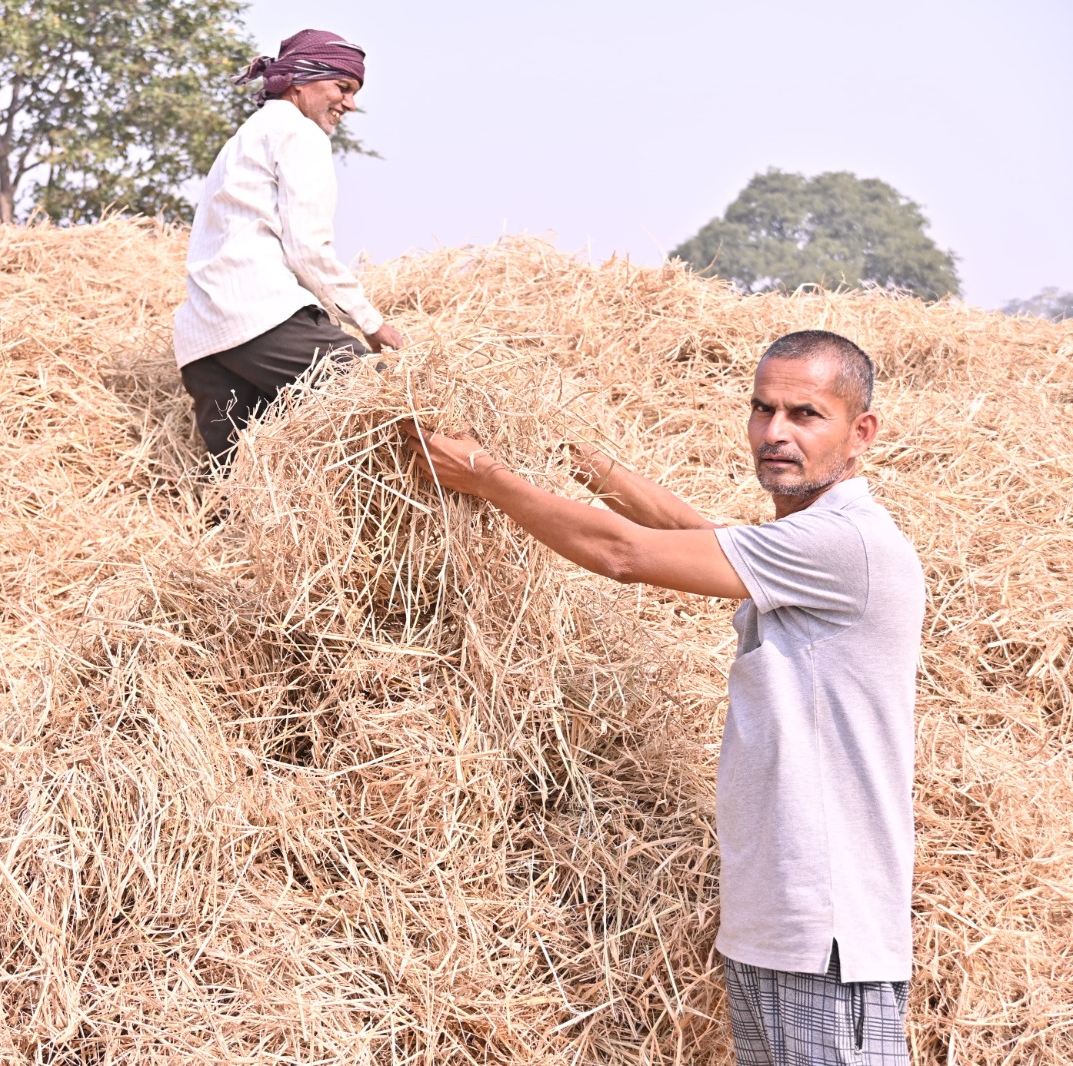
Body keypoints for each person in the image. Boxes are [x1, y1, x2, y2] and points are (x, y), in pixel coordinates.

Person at [405, 330, 924, 1065]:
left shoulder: (847, 543)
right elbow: (693, 533)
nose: (775, 433)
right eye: (762, 409)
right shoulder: (802, 545)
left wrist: (486, 476)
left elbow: (625, 555)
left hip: (830, 932)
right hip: (775, 920)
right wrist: (583, 461)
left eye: (805, 414)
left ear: (860, 432)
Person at [174, 28, 406, 464]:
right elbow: (307, 248)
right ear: (301, 79)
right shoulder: (299, 133)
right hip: (263, 319)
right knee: (392, 403)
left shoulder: (242, 139)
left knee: (244, 486)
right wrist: (371, 323)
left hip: (202, 343)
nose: (350, 104)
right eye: (343, 87)